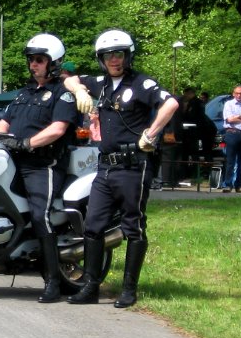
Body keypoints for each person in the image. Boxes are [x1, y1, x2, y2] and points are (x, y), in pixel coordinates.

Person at [0, 34, 78, 302]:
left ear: (53, 62)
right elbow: (4, 123)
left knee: (41, 215)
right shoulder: (24, 93)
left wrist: (28, 142)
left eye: (40, 60)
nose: (34, 65)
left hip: (43, 164)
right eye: (31, 60)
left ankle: (53, 281)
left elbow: (58, 129)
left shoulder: (62, 95)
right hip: (12, 159)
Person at [64, 29, 179, 308]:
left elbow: (171, 103)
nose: (114, 60)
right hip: (105, 167)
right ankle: (91, 285)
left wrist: (151, 133)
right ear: (101, 59)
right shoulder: (100, 82)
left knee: (133, 226)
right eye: (108, 55)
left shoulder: (141, 82)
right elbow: (69, 79)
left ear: (128, 55)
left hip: (133, 165)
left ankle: (129, 288)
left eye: (119, 54)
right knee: (92, 226)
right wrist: (79, 89)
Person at [220, 85, 241, 192]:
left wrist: (238, 117)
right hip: (232, 133)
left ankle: (240, 185)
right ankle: (227, 184)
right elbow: (229, 120)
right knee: (230, 161)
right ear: (233, 94)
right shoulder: (228, 104)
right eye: (237, 93)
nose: (239, 95)